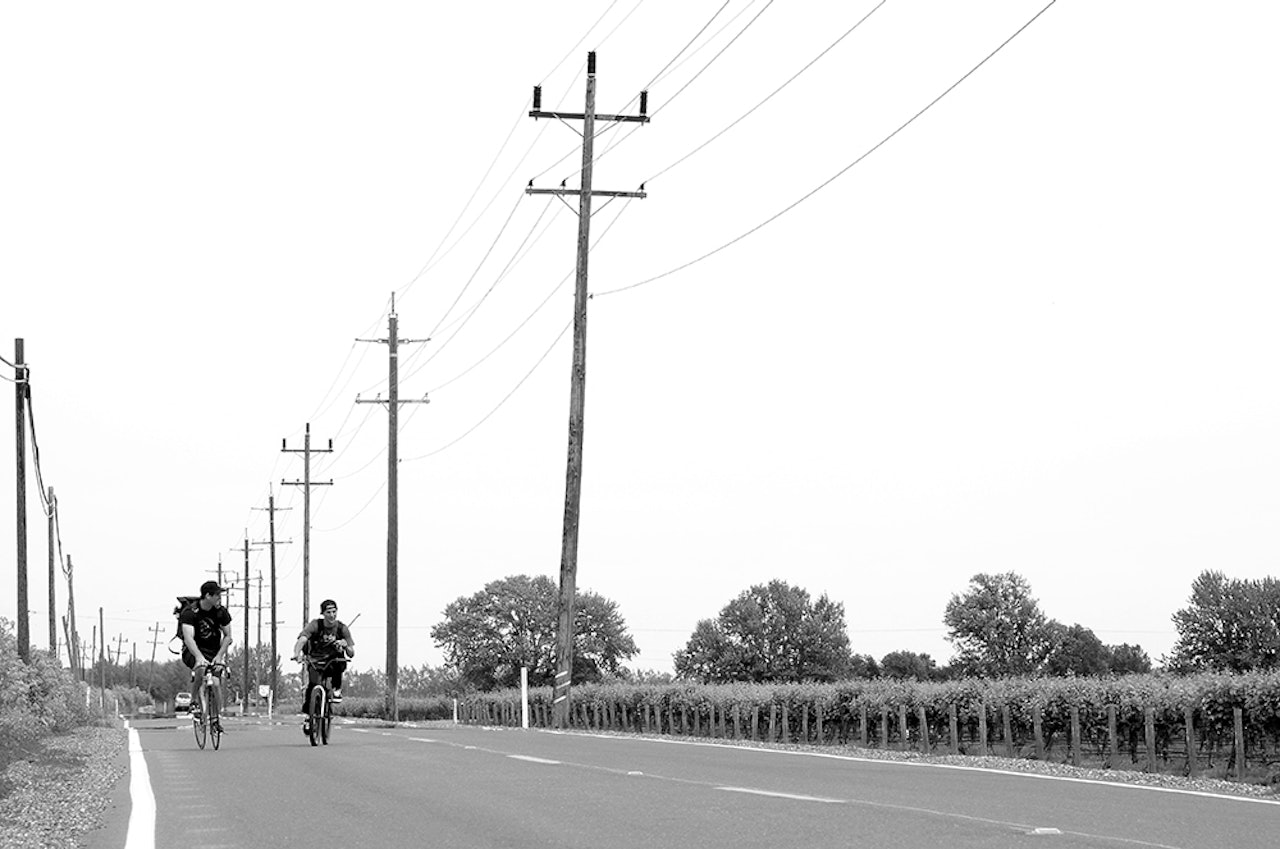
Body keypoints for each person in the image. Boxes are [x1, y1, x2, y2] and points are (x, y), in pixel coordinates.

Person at [292, 599, 355, 733]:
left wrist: (344, 645)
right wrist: (297, 654)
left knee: (339, 663)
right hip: (316, 660)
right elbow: (302, 639)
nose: (332, 615)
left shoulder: (342, 628)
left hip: (333, 662)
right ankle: (309, 717)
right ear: (323, 613)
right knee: (313, 685)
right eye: (328, 612)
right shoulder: (315, 625)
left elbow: (351, 653)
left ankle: (336, 690)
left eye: (334, 611)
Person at [179, 580, 233, 729]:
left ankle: (215, 718)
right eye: (217, 595)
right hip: (192, 650)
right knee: (201, 669)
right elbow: (188, 638)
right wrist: (198, 657)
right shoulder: (191, 612)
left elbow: (228, 636)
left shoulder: (220, 612)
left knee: (215, 682)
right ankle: (194, 701)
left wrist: (220, 656)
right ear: (207, 595)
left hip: (214, 652)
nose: (219, 598)